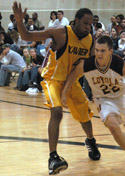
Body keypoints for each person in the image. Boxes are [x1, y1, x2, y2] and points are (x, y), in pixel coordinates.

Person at [13, 2, 100, 175]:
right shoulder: (60, 33)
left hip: (73, 81)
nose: (88, 27)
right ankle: (53, 157)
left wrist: (98, 92)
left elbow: (83, 69)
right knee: (57, 112)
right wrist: (19, 21)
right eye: (85, 23)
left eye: (91, 24)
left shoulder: (90, 41)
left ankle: (90, 141)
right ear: (75, 21)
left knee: (85, 118)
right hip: (53, 79)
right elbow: (28, 35)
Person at [61, 36, 125, 174]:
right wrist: (64, 92)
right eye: (97, 50)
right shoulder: (87, 64)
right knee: (112, 125)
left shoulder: (120, 64)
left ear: (111, 51)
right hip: (103, 99)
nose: (98, 54)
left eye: (103, 51)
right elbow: (73, 75)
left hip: (122, 96)